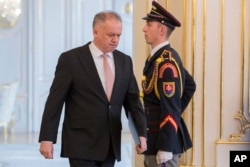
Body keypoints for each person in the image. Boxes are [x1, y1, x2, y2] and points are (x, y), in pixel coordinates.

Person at [38, 11, 147, 167]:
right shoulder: (71, 59)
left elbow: (133, 102)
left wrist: (141, 134)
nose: (115, 40)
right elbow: (55, 101)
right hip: (80, 144)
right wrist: (47, 138)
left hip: (110, 144)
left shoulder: (124, 61)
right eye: (111, 35)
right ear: (95, 31)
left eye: (118, 35)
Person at [141, 1, 196, 167]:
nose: (144, 28)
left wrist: (165, 146)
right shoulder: (159, 58)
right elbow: (190, 85)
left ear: (162, 30)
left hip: (162, 144)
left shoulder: (166, 63)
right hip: (155, 139)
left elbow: (171, 106)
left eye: (149, 24)